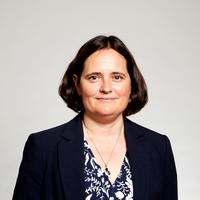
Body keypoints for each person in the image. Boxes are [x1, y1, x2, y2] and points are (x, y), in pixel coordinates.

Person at [12, 35, 178, 200]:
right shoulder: (43, 148)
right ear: (77, 84)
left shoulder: (158, 147)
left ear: (131, 84)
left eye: (117, 77)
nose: (106, 88)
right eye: (94, 77)